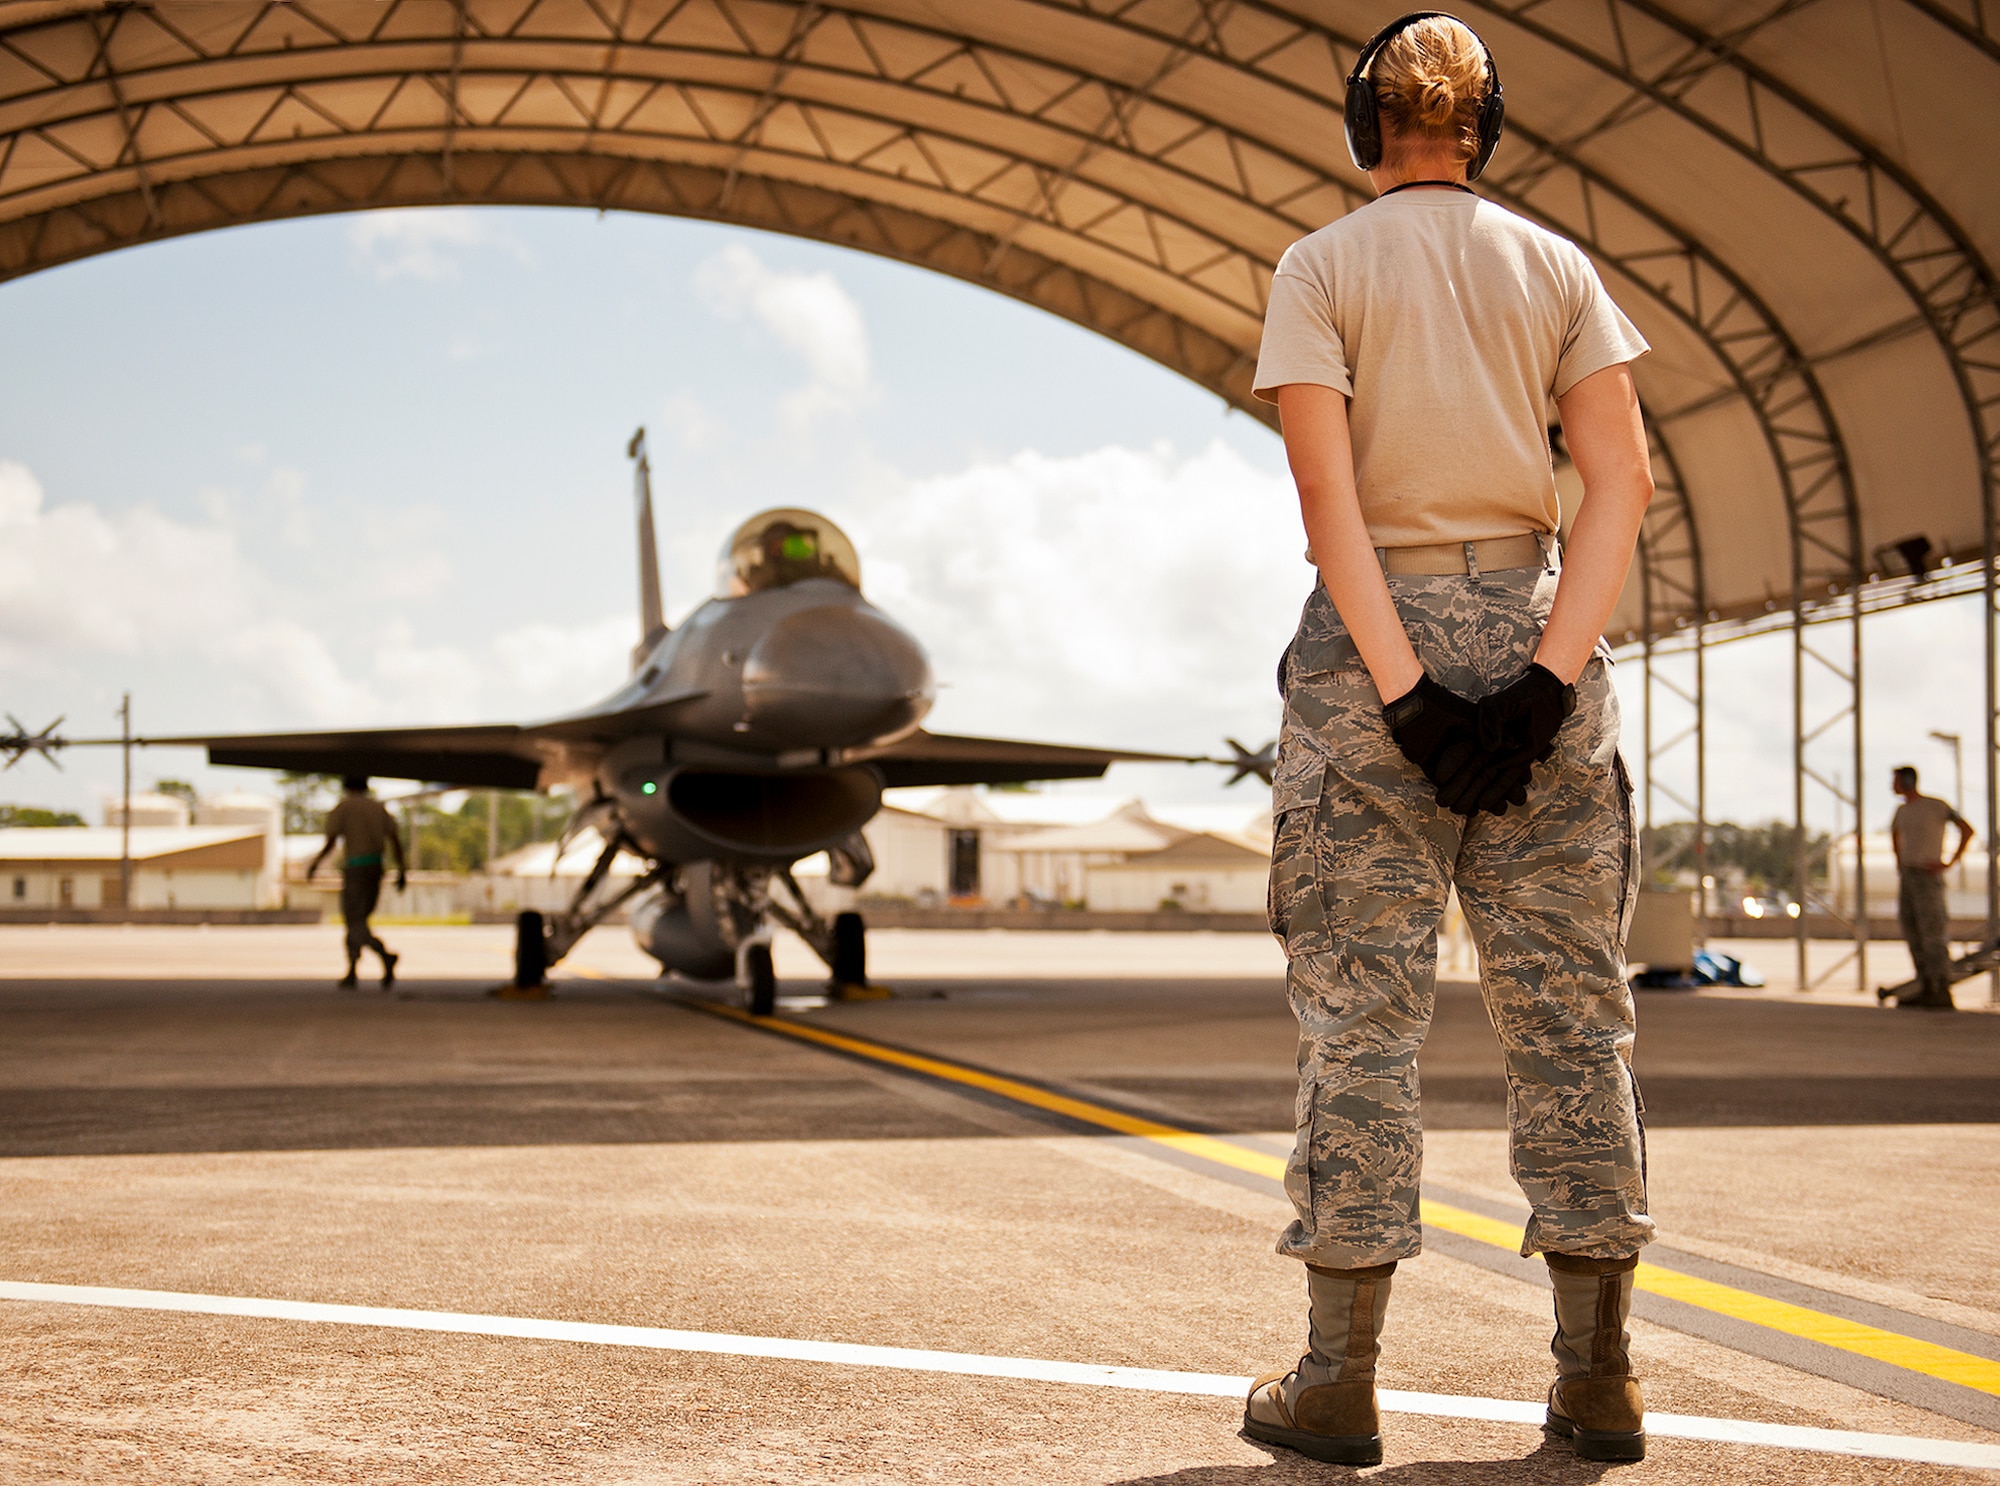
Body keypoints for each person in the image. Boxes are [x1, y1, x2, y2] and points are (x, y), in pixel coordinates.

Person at [1244, 12, 1656, 1467]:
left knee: (1365, 1017)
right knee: (1571, 1017)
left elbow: (1327, 503)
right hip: (1540, 630)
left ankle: (1336, 1380)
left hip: (1373, 653)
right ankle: (1597, 1377)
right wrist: (1541, 682)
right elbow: (1617, 482)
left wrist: (1406, 688)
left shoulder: (1321, 268)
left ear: (1367, 131)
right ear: (1490, 129)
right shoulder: (1557, 269)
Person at [1885, 765, 1972, 1010]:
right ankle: (1925, 986)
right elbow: (1896, 836)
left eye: (1896, 781)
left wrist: (1950, 862)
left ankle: (1940, 988)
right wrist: (1899, 862)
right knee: (1912, 929)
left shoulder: (1936, 806)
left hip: (1927, 874)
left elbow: (1966, 829)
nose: (1893, 786)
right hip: (1909, 875)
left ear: (1906, 782)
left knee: (1932, 931)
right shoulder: (1902, 811)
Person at [307, 775, 406, 990]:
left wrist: (315, 864)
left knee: (354, 922)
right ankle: (352, 970)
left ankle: (383, 955)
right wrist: (402, 869)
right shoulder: (378, 808)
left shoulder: (344, 808)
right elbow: (394, 839)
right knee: (359, 921)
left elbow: (331, 841)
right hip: (376, 868)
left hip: (356, 868)